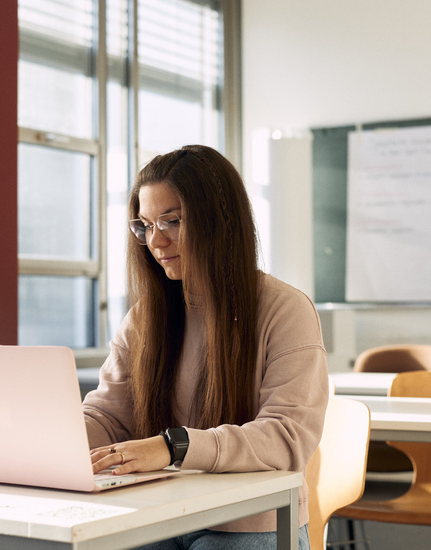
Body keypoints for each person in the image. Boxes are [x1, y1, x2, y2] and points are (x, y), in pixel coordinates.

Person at [83, 144, 329, 550]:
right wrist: (57, 438)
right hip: (156, 512)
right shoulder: (147, 316)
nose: (155, 241)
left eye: (172, 222)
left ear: (221, 221)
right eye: (144, 225)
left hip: (248, 520)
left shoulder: (286, 310)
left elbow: (286, 437)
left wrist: (173, 447)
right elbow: (109, 415)